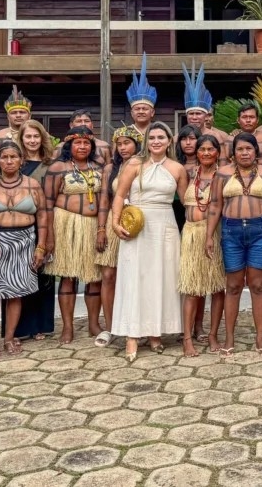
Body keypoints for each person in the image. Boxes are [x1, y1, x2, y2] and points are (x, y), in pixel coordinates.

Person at [110, 122, 189, 362]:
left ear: (169, 141)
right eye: (152, 137)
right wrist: (115, 222)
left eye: (161, 137)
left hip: (164, 224)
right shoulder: (134, 164)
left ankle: (155, 333)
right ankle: (132, 335)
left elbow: (186, 201)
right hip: (137, 223)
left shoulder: (177, 168)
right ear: (147, 141)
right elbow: (120, 195)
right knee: (135, 276)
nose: (156, 141)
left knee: (161, 277)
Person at [207, 133, 262, 356]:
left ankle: (260, 337)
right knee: (233, 286)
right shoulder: (222, 174)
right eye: (240, 149)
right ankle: (229, 338)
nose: (245, 153)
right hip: (231, 232)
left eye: (249, 149)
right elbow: (215, 205)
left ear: (256, 151)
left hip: (261, 231)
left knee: (258, 285)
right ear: (233, 153)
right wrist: (209, 235)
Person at [0, 141, 47, 357]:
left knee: (16, 293)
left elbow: (43, 216)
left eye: (13, 157)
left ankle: (10, 338)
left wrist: (41, 246)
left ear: (21, 160)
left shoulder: (32, 184)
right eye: (4, 157)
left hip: (24, 240)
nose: (9, 161)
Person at [42, 126, 104, 344]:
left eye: (86, 143)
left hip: (92, 225)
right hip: (65, 223)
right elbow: (47, 203)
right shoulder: (58, 168)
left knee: (94, 277)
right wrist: (49, 236)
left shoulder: (99, 167)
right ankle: (67, 327)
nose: (82, 146)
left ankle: (94, 324)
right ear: (69, 145)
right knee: (68, 276)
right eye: (78, 142)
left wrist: (101, 229)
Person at [92, 125, 142, 348]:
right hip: (115, 221)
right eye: (119, 144)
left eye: (127, 143)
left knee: (137, 276)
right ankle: (112, 327)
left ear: (137, 144)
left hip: (139, 222)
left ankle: (138, 325)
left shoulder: (145, 164)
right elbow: (104, 200)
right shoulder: (110, 168)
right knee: (109, 275)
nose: (123, 148)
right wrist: (102, 228)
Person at [179, 135, 227, 357]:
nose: (206, 153)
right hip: (190, 233)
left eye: (211, 149)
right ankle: (187, 337)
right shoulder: (188, 173)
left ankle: (213, 334)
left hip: (215, 234)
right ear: (196, 152)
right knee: (192, 287)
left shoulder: (224, 175)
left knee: (217, 287)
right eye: (202, 149)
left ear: (218, 152)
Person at [8, 119, 55, 342]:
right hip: (20, 223)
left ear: (42, 138)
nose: (32, 140)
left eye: (36, 136)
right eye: (28, 137)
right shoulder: (13, 162)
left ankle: (40, 326)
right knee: (19, 274)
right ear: (21, 139)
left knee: (43, 275)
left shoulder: (51, 164)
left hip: (46, 221)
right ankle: (17, 329)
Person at [183, 61, 232, 157]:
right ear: (186, 115)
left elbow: (224, 161)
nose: (194, 117)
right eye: (191, 114)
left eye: (198, 114)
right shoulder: (179, 138)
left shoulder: (217, 136)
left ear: (205, 116)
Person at [0, 86, 32, 176]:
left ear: (29, 115)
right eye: (14, 113)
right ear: (8, 117)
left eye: (22, 112)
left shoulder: (38, 135)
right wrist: (1, 182)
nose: (18, 115)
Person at [234, 102, 262, 171]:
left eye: (252, 117)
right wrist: (259, 160)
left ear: (257, 120)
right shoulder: (232, 138)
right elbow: (225, 164)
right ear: (238, 120)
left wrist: (243, 162)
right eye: (244, 117)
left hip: (261, 176)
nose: (248, 120)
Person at [128, 53, 159, 139]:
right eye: (137, 109)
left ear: (152, 112)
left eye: (145, 109)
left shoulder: (160, 132)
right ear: (132, 113)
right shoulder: (123, 133)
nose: (141, 111)